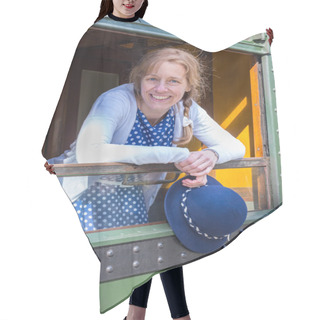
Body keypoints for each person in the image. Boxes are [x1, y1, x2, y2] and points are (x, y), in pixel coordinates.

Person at [44, 2, 246, 320]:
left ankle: (141, 316)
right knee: (148, 241)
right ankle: (164, 317)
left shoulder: (186, 108)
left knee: (161, 238)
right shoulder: (118, 99)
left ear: (187, 87)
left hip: (139, 188)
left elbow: (236, 145)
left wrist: (210, 155)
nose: (161, 89)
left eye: (173, 82)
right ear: (138, 78)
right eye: (153, 79)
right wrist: (179, 155)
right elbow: (91, 152)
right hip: (94, 186)